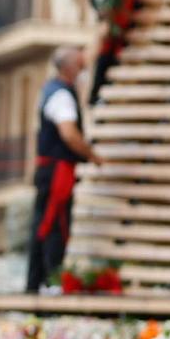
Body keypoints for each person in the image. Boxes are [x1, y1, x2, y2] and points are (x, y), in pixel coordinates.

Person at [26, 47, 102, 294]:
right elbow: (68, 133)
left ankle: (37, 284)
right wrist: (91, 155)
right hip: (57, 172)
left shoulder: (52, 90)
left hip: (53, 170)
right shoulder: (61, 95)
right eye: (80, 66)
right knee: (55, 225)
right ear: (70, 69)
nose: (83, 70)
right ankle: (49, 282)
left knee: (45, 224)